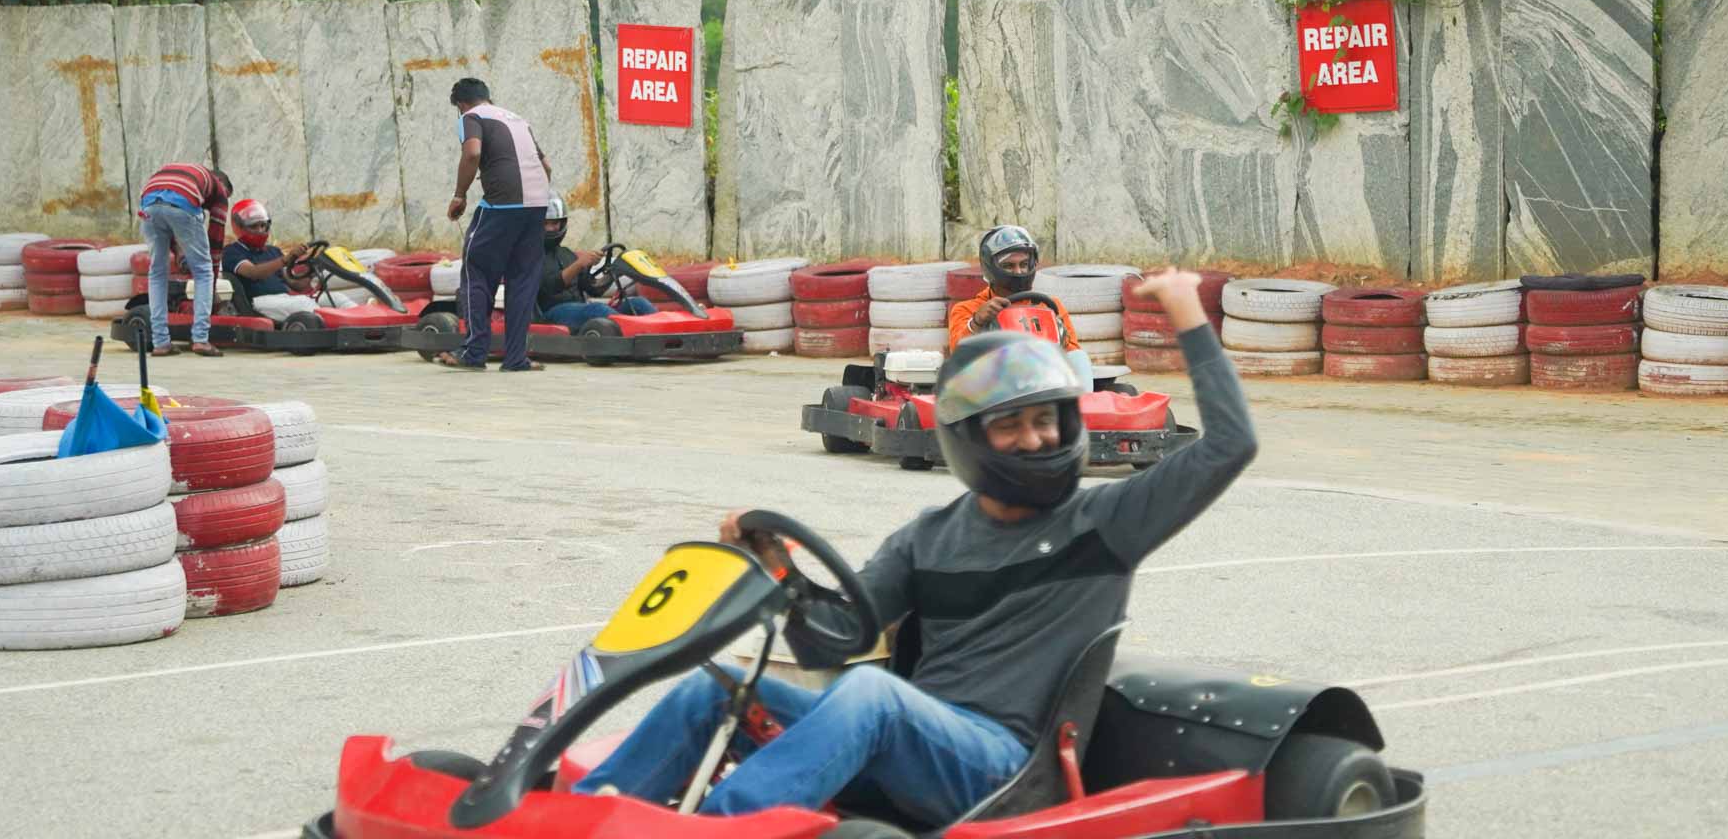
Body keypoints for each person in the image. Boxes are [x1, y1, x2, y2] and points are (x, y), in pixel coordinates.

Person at [575, 269, 1254, 826]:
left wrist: (1188, 313)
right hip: (908, 742)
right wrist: (778, 567)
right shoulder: (930, 537)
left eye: (1046, 419)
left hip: (1001, 769)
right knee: (710, 690)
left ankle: (726, 827)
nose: (1038, 439)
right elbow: (833, 642)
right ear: (970, 438)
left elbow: (1230, 445)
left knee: (872, 694)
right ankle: (575, 819)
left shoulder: (1108, 521)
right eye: (1012, 425)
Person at [441, 77, 551, 372]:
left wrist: (460, 195)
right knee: (523, 280)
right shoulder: (517, 119)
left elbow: (473, 153)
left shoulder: (471, 116)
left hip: (502, 204)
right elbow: (546, 166)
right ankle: (516, 358)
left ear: (461, 104)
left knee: (476, 269)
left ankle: (474, 352)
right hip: (538, 204)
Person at [136, 162, 233, 357]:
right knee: (203, 271)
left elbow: (168, 221)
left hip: (148, 203)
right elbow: (216, 238)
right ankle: (200, 339)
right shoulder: (219, 191)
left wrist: (181, 253)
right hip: (182, 203)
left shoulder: (187, 174)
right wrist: (212, 284)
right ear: (222, 185)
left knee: (157, 272)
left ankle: (161, 343)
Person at [946, 225, 1080, 352]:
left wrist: (1060, 335)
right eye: (1009, 266)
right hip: (996, 374)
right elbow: (959, 354)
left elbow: (1073, 354)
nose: (1019, 272)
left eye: (1024, 264)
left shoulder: (1050, 307)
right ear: (990, 268)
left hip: (1042, 373)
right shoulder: (967, 310)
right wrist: (976, 323)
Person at [220, 199, 356, 322]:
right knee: (304, 304)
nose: (260, 230)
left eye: (263, 226)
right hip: (260, 303)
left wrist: (314, 267)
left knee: (338, 298)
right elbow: (254, 272)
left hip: (285, 299)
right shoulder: (232, 252)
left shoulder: (273, 251)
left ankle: (359, 324)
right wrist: (286, 259)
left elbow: (296, 284)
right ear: (240, 227)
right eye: (254, 226)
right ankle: (334, 326)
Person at [535, 197, 657, 331]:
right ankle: (633, 333)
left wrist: (612, 272)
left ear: (562, 223)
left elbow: (593, 290)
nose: (551, 229)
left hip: (580, 309)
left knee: (639, 303)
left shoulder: (567, 254)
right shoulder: (529, 257)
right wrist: (579, 264)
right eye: (545, 223)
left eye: (554, 223)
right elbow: (549, 287)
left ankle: (662, 333)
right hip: (550, 314)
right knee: (597, 310)